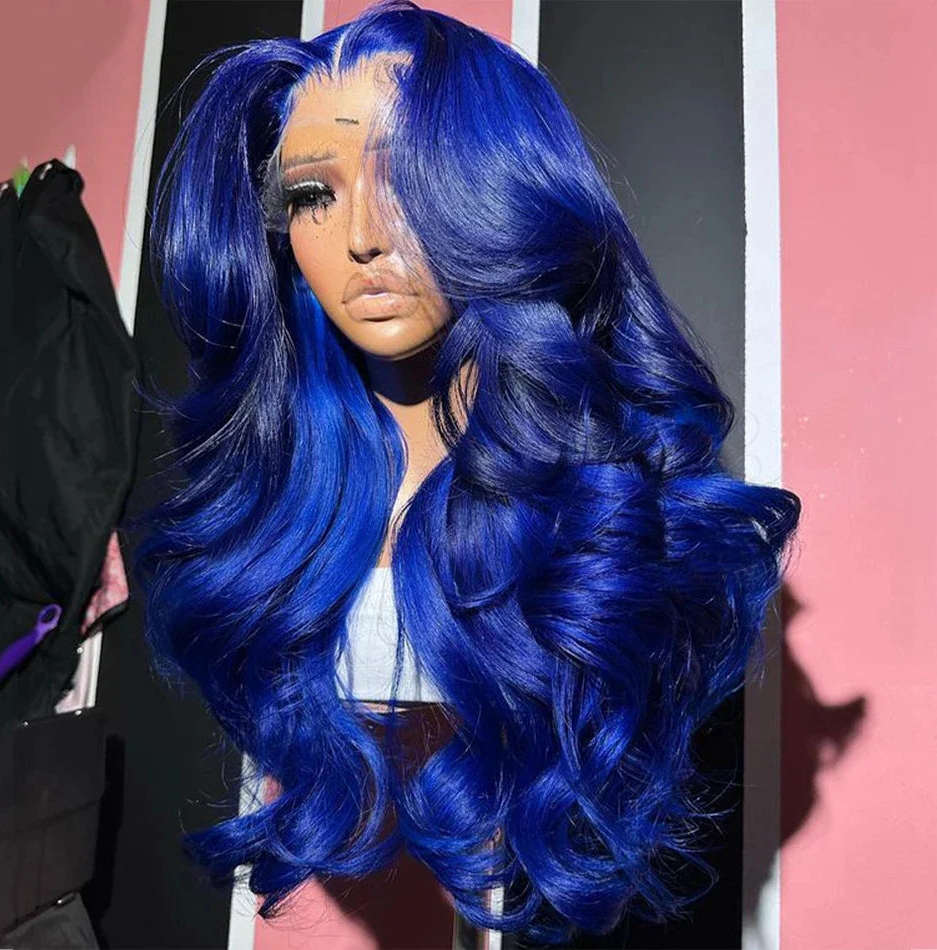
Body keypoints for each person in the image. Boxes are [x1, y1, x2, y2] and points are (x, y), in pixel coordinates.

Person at [134, 1, 801, 944]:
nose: (361, 236)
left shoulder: (597, 507)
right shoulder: (279, 502)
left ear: (494, 188)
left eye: (405, 177)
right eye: (313, 194)